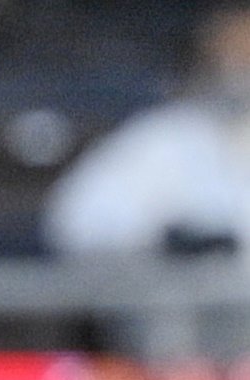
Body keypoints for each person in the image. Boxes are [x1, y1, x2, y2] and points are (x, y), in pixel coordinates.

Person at [48, 5, 250, 261]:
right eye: (237, 54)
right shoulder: (165, 137)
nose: (242, 71)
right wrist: (164, 239)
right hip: (180, 296)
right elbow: (77, 221)